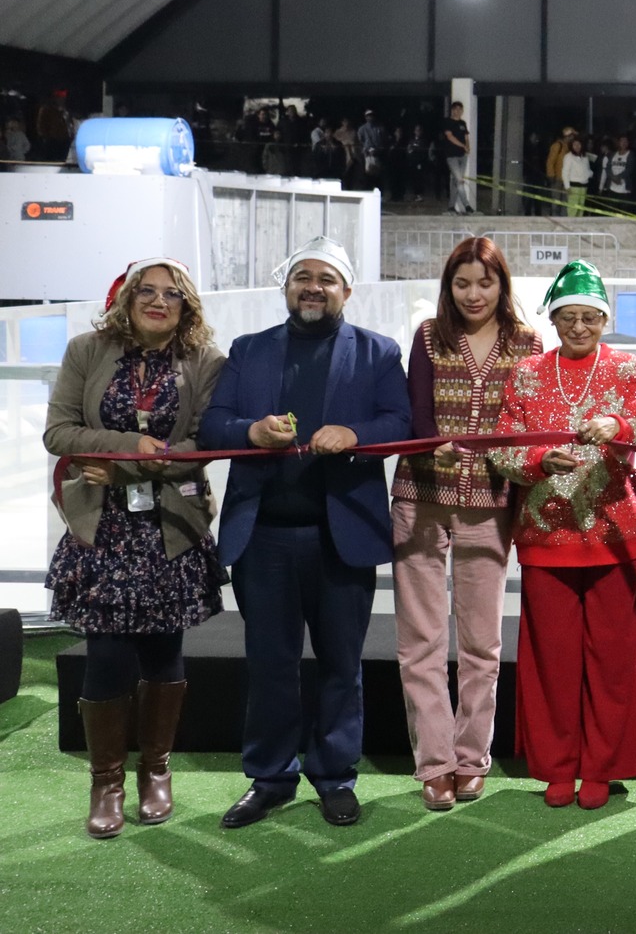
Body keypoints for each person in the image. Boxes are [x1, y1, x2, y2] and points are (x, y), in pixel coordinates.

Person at [201, 237, 410, 829]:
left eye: (326, 279)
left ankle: (335, 776)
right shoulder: (249, 350)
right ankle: (270, 777)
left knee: (342, 664)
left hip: (339, 536)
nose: (312, 287)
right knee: (270, 663)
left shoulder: (376, 352)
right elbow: (214, 422)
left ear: (347, 291)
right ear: (286, 286)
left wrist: (355, 433)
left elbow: (399, 420)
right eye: (302, 277)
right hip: (263, 537)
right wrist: (251, 431)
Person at [44, 259, 225, 838]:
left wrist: (149, 464)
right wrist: (128, 446)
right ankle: (106, 781)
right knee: (108, 654)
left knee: (163, 652)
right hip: (105, 527)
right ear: (125, 300)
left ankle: (157, 771)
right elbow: (59, 432)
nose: (158, 301)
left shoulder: (206, 362)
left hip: (168, 523)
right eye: (146, 292)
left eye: (171, 294)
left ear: (186, 306)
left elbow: (208, 440)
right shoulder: (86, 351)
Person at [487, 263, 636, 809]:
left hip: (615, 534)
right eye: (569, 317)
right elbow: (501, 447)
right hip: (545, 534)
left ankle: (603, 768)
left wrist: (620, 429)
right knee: (552, 662)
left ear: (605, 320)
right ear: (553, 320)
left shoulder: (631, 371)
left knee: (613, 663)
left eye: (590, 318)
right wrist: (538, 460)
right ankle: (558, 767)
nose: (579, 327)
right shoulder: (528, 374)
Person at [393, 238, 539, 811]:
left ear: (503, 285)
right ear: (448, 286)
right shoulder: (429, 335)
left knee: (482, 642)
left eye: (485, 282)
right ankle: (434, 763)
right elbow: (418, 414)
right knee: (420, 641)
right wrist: (434, 450)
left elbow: (525, 417)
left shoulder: (526, 343)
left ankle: (471, 758)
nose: (474, 294)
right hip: (420, 498)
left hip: (490, 502)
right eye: (462, 283)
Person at [439, 101, 473, 214]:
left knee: (456, 181)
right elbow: (450, 137)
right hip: (451, 156)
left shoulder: (463, 123)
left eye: (460, 109)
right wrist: (463, 145)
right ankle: (467, 205)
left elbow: (466, 137)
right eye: (456, 109)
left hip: (462, 156)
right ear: (452, 110)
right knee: (459, 180)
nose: (458, 111)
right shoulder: (447, 122)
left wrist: (467, 147)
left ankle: (451, 206)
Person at [560, 137, 593, 216]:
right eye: (575, 144)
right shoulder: (568, 156)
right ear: (571, 146)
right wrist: (567, 187)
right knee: (573, 208)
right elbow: (565, 172)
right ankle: (571, 225)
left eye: (579, 144)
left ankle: (578, 226)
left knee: (581, 208)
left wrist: (590, 174)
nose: (577, 146)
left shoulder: (585, 156)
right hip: (574, 186)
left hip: (584, 186)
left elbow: (587, 169)